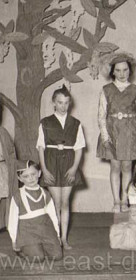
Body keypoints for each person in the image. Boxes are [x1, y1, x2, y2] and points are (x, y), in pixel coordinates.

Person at [96, 52, 136, 213]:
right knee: (115, 166)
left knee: (127, 166)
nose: (122, 74)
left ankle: (125, 200)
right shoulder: (106, 89)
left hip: (130, 131)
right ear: (112, 71)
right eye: (118, 70)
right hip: (113, 131)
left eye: (125, 70)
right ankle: (116, 201)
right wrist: (105, 135)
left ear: (129, 70)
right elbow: (101, 115)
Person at [37, 85, 86, 250]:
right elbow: (41, 148)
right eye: (60, 102)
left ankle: (64, 239)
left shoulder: (76, 123)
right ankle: (55, 237)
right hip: (51, 163)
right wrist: (44, 170)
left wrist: (73, 169)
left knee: (65, 203)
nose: (63, 106)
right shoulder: (45, 122)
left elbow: (79, 148)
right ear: (54, 103)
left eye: (66, 103)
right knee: (55, 203)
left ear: (69, 103)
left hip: (68, 164)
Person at [7, 160, 62, 262]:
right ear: (20, 178)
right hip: (27, 230)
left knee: (57, 256)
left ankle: (40, 246)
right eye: (26, 176)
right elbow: (12, 219)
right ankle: (25, 249)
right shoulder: (17, 196)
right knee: (38, 258)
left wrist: (57, 235)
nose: (31, 178)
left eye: (33, 174)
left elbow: (53, 215)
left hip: (45, 228)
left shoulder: (46, 193)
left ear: (39, 173)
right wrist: (14, 239)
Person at [0, 125, 17, 229]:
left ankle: (3, 223)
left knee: (4, 196)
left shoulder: (2, 131)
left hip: (2, 167)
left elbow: (11, 152)